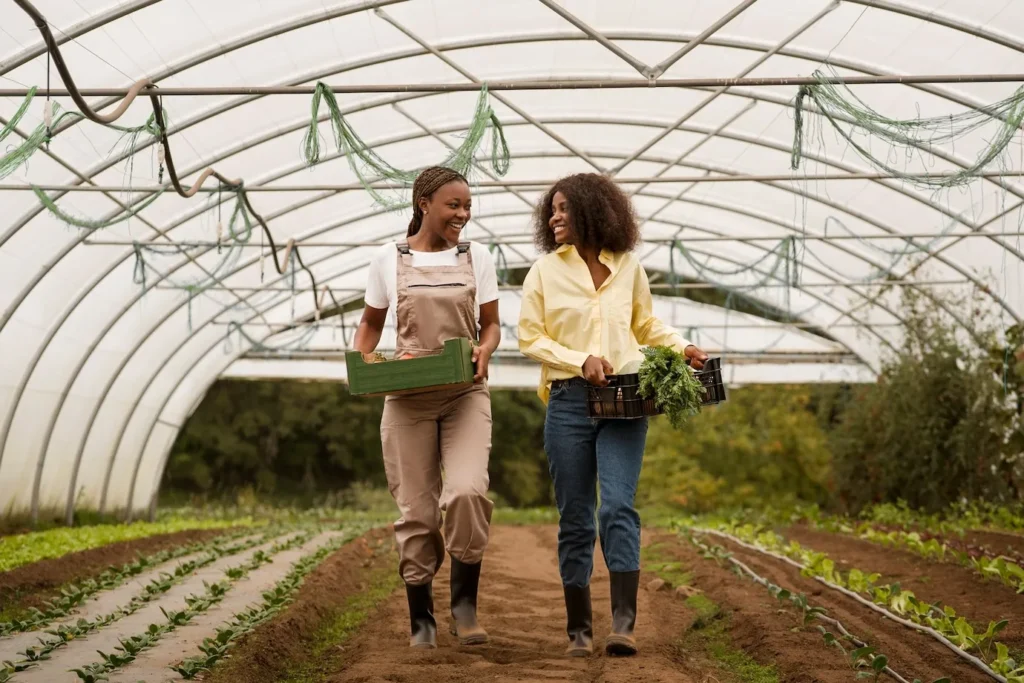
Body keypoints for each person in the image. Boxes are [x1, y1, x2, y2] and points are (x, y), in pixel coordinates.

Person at [517, 173, 708, 658]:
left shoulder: (628, 267)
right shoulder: (544, 271)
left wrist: (682, 346)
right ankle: (579, 630)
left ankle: (623, 624)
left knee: (617, 507)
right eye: (551, 210)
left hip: (625, 400)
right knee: (576, 517)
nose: (553, 217)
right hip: (568, 401)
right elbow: (529, 337)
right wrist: (579, 360)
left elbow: (644, 323)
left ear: (592, 210)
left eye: (563, 208)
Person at [353, 166, 501, 649]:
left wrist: (486, 350)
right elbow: (371, 326)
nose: (463, 214)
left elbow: (491, 325)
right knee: (416, 512)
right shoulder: (387, 259)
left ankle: (465, 607)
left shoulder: (476, 256)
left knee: (466, 492)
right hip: (408, 398)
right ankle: (422, 620)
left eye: (467, 206)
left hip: (464, 393)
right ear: (424, 204)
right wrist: (368, 361)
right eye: (453, 205)